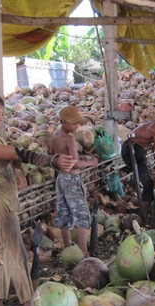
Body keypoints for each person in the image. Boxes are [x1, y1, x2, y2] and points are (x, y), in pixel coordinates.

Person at [0, 88, 75, 306]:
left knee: (3, 252)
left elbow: (12, 157)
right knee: (16, 253)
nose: (0, 119)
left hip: (5, 200)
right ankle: (29, 303)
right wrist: (49, 160)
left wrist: (19, 172)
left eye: (2, 114)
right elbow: (14, 153)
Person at [50, 106, 98, 257]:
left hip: (61, 178)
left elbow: (53, 155)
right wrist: (92, 162)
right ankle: (84, 252)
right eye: (73, 123)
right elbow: (75, 163)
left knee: (65, 214)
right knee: (81, 215)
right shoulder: (69, 138)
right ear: (64, 122)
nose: (76, 126)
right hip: (71, 178)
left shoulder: (55, 135)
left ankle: (68, 249)